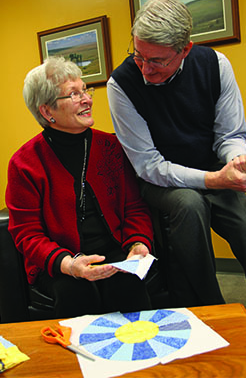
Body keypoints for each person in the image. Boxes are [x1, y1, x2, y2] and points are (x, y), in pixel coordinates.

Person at [107, 0, 246, 329]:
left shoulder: (215, 64)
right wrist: (214, 180)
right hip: (160, 182)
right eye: (138, 56)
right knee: (190, 205)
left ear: (185, 49)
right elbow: (148, 164)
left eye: (157, 60)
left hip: (215, 172)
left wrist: (239, 160)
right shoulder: (121, 84)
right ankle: (213, 318)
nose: (145, 69)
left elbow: (229, 135)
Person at [6, 56, 153, 318]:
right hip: (59, 261)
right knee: (77, 294)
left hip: (114, 250)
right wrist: (70, 265)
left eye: (85, 89)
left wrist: (138, 243)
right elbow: (26, 234)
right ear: (47, 111)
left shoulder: (111, 147)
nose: (87, 100)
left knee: (129, 286)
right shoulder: (24, 163)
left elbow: (134, 206)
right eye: (73, 95)